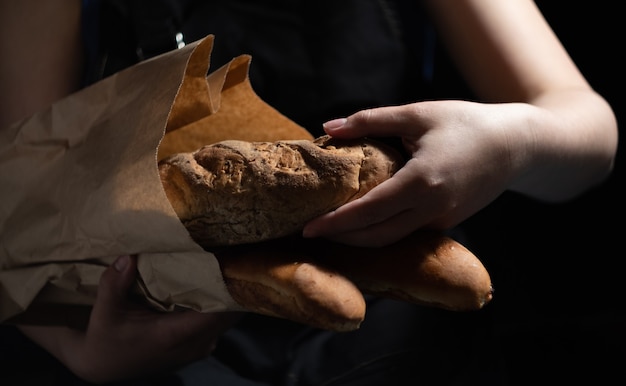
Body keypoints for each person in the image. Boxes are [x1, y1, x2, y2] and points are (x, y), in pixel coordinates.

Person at [0, 0, 618, 385]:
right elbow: (24, 217)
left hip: (405, 345)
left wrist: (512, 141)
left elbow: (589, 133)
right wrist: (80, 353)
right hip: (170, 355)